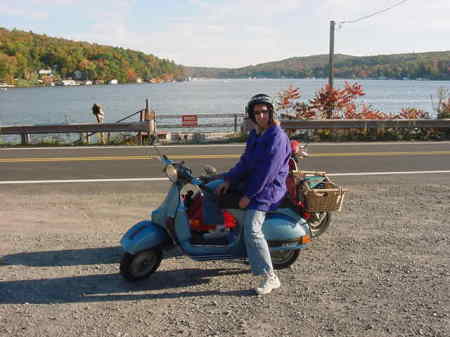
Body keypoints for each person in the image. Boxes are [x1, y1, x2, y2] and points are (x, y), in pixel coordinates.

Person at [202, 93, 291, 295]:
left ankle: (270, 277)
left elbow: (267, 173)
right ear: (251, 115)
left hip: (268, 189)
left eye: (264, 111)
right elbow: (244, 163)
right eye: (256, 112)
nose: (260, 116)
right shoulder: (255, 134)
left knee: (252, 229)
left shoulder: (276, 137)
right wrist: (228, 180)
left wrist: (249, 196)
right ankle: (222, 228)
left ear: (271, 112)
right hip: (251, 183)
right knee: (210, 188)